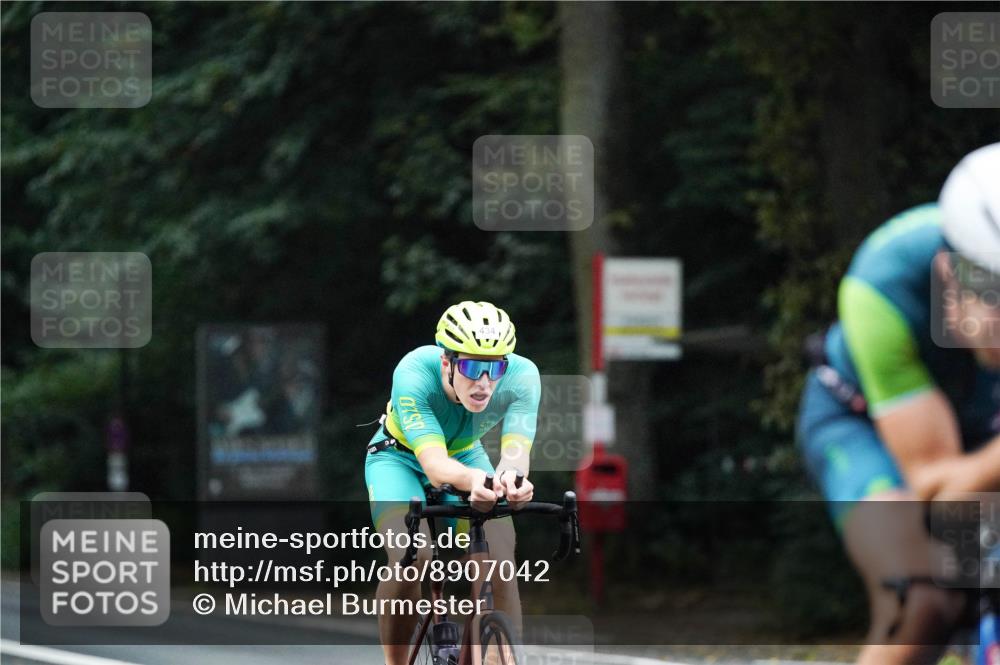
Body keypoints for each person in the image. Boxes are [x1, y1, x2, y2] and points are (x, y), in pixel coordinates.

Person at [797, 143, 1000, 665]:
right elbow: (933, 484)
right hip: (862, 425)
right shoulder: (882, 285)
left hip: (982, 431)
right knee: (925, 595)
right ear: (948, 271)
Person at [364, 300, 540, 665]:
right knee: (414, 557)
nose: (484, 382)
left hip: (465, 455)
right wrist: (480, 479)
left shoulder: (523, 376)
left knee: (501, 554)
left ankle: (497, 657)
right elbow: (435, 465)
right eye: (473, 367)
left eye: (495, 368)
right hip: (398, 459)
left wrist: (512, 481)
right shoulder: (414, 371)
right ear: (447, 362)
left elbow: (515, 453)